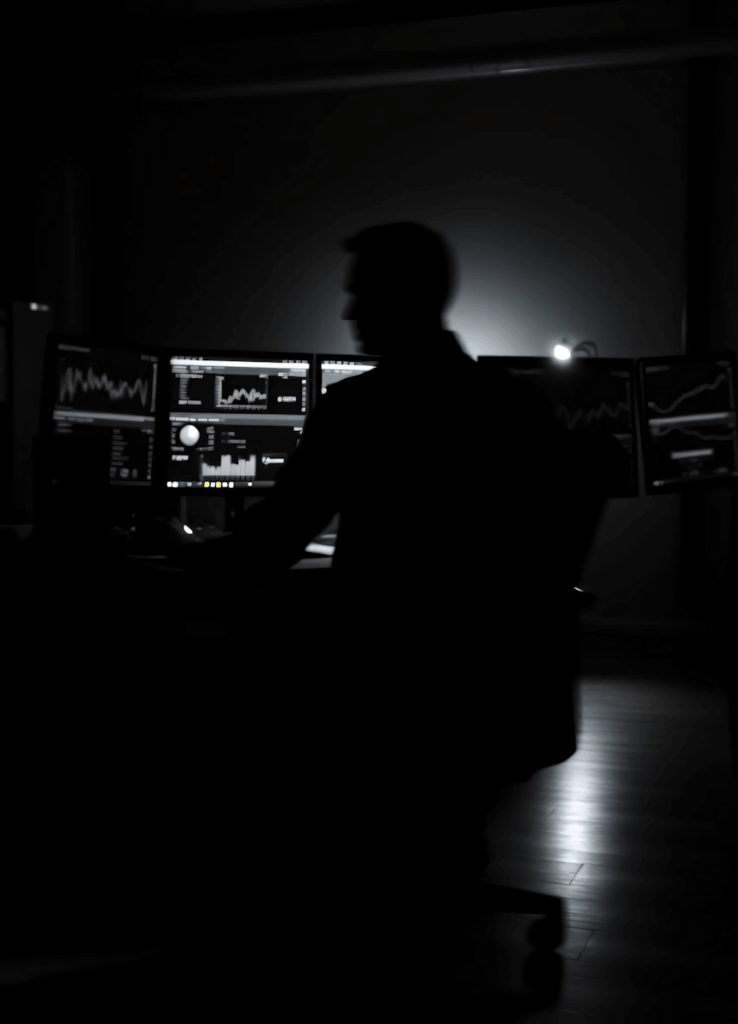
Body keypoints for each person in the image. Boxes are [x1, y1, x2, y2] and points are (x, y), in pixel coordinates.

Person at [169, 222, 586, 1007]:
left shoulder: (359, 409)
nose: (348, 311)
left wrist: (180, 559)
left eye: (360, 293)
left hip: (392, 692)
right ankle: (426, 878)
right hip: (499, 690)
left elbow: (268, 547)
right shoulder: (520, 408)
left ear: (402, 298)